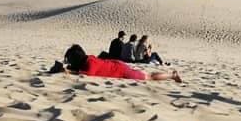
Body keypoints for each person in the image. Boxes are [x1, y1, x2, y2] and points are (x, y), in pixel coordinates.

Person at [50, 45, 181, 82]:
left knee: (149, 77)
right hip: (117, 65)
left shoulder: (90, 64)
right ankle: (171, 74)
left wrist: (67, 71)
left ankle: (172, 75)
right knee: (147, 74)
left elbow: (86, 74)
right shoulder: (88, 58)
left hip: (122, 71)